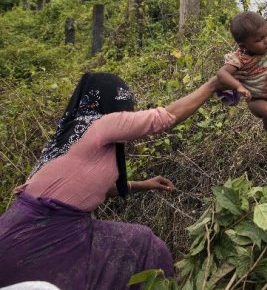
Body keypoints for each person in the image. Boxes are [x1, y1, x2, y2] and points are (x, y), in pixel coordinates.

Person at [0, 72, 222, 289]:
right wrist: (213, 84)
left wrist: (145, 184)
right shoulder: (101, 123)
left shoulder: (72, 131)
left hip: (22, 228)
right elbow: (164, 118)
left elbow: (84, 189)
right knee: (143, 246)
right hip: (44, 235)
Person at [216, 11, 267, 143]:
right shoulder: (239, 59)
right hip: (257, 100)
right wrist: (238, 87)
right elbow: (222, 73)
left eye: (266, 34)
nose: (266, 40)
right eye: (259, 39)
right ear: (243, 46)